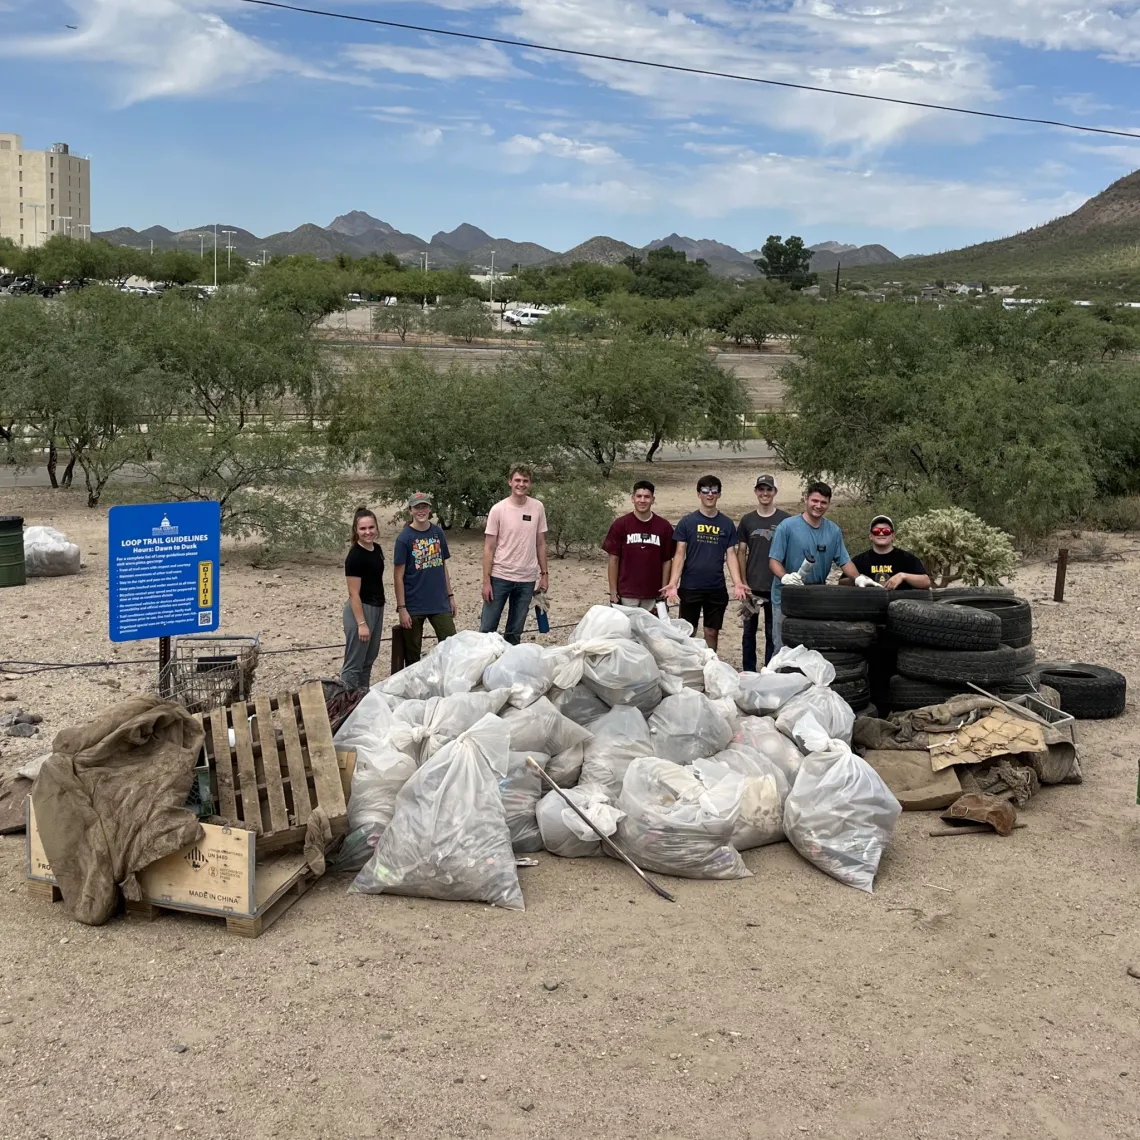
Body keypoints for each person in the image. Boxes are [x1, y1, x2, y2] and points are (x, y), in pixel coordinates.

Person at [768, 481, 876, 651]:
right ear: (806, 499)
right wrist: (785, 577)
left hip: (816, 598)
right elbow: (774, 560)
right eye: (815, 501)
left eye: (823, 502)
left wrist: (858, 578)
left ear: (828, 504)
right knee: (783, 648)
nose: (818, 506)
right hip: (785, 597)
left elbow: (844, 561)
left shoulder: (833, 531)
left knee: (812, 648)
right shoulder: (787, 527)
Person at [662, 475, 749, 651]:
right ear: (698, 494)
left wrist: (738, 583)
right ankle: (688, 666)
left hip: (715, 587)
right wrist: (673, 583)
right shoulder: (687, 522)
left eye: (714, 491)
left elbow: (731, 554)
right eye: (705, 491)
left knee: (711, 631)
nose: (710, 494)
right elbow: (679, 554)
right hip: (690, 586)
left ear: (719, 494)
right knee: (687, 631)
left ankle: (711, 664)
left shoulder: (726, 524)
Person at [480, 464, 549, 646]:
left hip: (527, 578)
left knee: (515, 631)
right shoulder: (498, 509)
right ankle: (481, 668)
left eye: (525, 481)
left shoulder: (537, 507)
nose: (521, 484)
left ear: (530, 483)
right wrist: (486, 581)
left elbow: (540, 542)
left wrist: (544, 574)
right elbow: (489, 547)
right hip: (500, 576)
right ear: (510, 481)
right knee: (487, 629)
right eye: (517, 480)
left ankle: (508, 671)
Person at [393, 492, 458, 664]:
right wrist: (402, 608)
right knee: (412, 655)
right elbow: (398, 576)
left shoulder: (438, 533)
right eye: (417, 507)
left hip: (439, 601)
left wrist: (450, 596)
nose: (421, 511)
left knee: (451, 646)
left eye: (424, 506)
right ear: (410, 510)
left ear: (430, 509)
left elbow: (443, 566)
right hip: (414, 604)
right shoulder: (404, 539)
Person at [736, 474, 791, 669]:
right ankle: (748, 671)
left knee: (773, 632)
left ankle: (770, 670)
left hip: (776, 586)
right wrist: (742, 582)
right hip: (752, 587)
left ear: (775, 492)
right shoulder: (747, 520)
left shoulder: (785, 520)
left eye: (769, 489)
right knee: (749, 632)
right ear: (756, 492)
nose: (765, 493)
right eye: (761, 489)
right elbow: (741, 552)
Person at [602, 480, 675, 610]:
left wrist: (663, 592)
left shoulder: (664, 527)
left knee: (651, 630)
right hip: (627, 593)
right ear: (633, 499)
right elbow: (613, 559)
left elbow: (667, 561)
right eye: (639, 496)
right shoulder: (621, 525)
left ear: (653, 499)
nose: (642, 500)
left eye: (647, 497)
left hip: (653, 593)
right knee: (627, 629)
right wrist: (613, 592)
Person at [341, 506, 385, 690]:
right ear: (356, 530)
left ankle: (362, 697)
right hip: (361, 609)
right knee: (354, 662)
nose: (368, 532)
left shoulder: (377, 549)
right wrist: (361, 624)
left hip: (377, 607)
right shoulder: (355, 557)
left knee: (369, 659)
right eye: (363, 529)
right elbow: (353, 594)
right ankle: (345, 702)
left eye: (371, 528)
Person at [852, 515, 932, 589]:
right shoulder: (859, 560)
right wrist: (858, 579)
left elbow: (926, 581)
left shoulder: (907, 558)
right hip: (869, 603)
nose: (881, 533)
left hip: (901, 603)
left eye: (886, 531)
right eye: (876, 531)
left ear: (893, 536)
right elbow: (842, 582)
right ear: (870, 536)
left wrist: (903, 576)